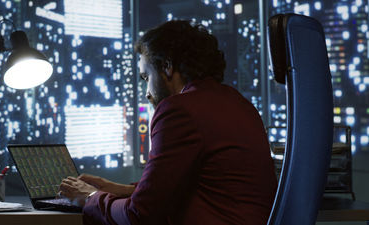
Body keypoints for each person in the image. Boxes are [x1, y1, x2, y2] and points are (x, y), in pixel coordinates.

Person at [59, 20, 278, 225]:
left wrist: (89, 197)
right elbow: (200, 185)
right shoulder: (239, 104)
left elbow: (139, 215)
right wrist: (124, 190)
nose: (146, 93)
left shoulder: (179, 110)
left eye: (146, 77)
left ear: (166, 67)